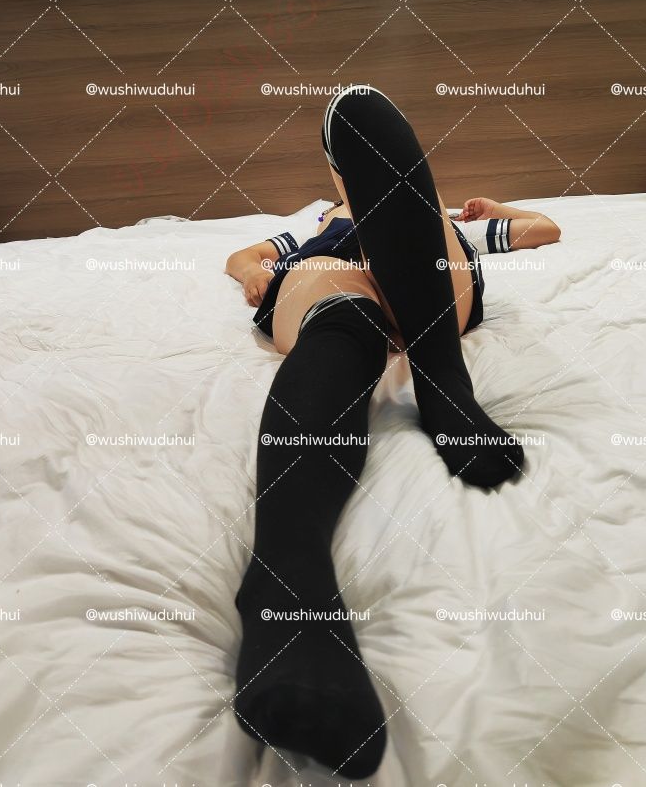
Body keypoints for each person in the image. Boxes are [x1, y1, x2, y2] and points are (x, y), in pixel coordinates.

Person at [224, 85, 561, 778]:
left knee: (360, 118)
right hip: (335, 273)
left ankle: (441, 380)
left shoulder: (452, 217)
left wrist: (497, 213)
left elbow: (543, 231)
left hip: (430, 270)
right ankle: (287, 581)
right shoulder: (316, 220)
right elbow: (243, 256)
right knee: (341, 306)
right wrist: (255, 269)